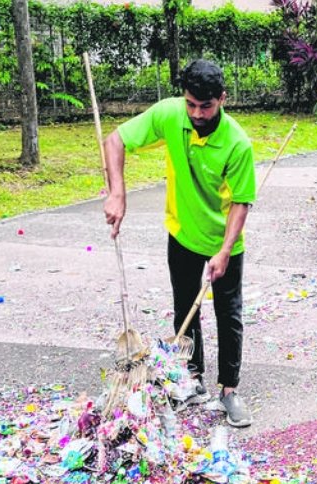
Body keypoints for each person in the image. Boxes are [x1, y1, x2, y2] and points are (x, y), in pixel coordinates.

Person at [101, 59, 257, 428]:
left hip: (223, 240)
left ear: (222, 99)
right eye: (191, 104)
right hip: (182, 233)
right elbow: (115, 140)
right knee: (185, 307)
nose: (197, 113)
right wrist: (117, 194)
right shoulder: (172, 115)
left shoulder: (237, 144)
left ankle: (229, 390)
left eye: (206, 106)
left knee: (228, 315)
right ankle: (193, 379)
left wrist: (222, 252)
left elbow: (241, 202)